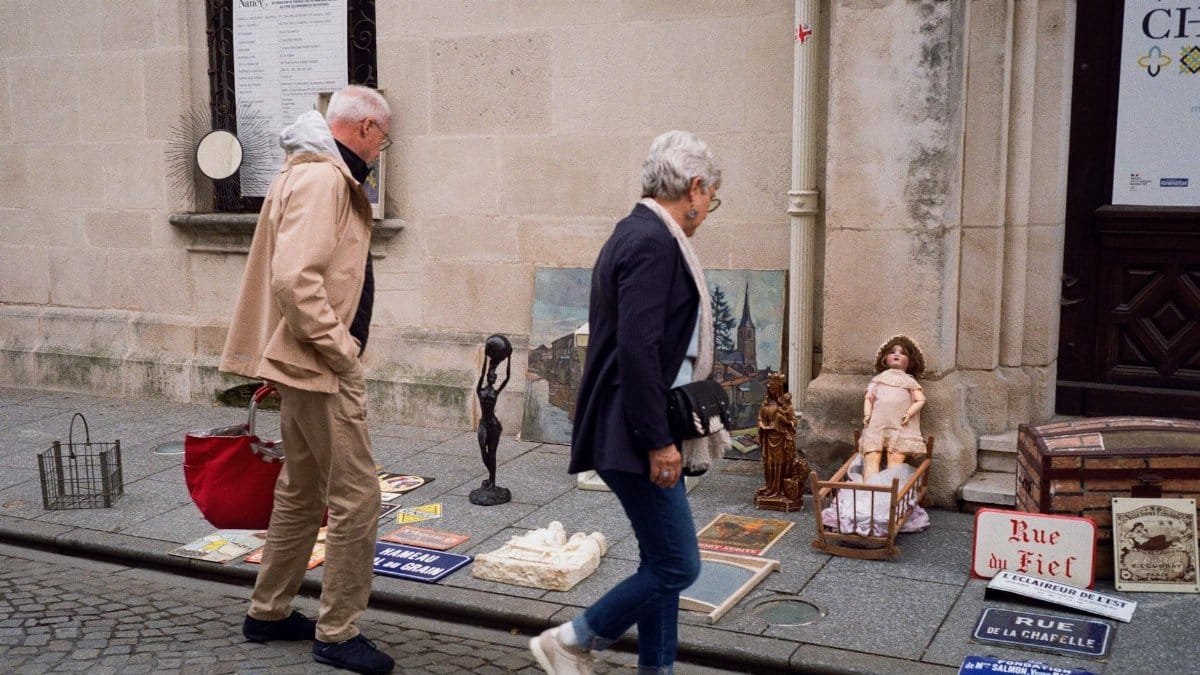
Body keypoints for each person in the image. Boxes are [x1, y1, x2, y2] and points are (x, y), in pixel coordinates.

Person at [529, 130, 721, 675]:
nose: (708, 210)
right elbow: (639, 349)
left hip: (638, 423)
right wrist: (660, 442)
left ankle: (655, 669)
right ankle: (571, 640)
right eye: (711, 198)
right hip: (636, 430)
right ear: (695, 187)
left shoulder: (643, 233)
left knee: (659, 559)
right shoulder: (650, 241)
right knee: (679, 565)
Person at [219, 84, 395, 675]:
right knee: (357, 495)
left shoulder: (307, 171)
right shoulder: (324, 179)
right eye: (383, 138)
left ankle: (267, 611)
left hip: (301, 363)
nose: (381, 150)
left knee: (301, 488)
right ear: (366, 128)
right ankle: (338, 631)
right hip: (318, 365)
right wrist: (341, 350)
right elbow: (296, 280)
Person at [860, 335, 927, 480]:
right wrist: (867, 415)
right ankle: (868, 490)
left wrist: (909, 413)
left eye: (902, 353)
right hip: (878, 423)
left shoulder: (909, 382)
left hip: (900, 425)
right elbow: (868, 398)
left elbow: (920, 400)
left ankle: (891, 493)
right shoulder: (878, 380)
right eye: (893, 352)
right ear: (885, 358)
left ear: (910, 362)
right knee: (872, 455)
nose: (897, 354)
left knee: (895, 456)